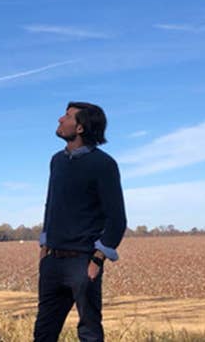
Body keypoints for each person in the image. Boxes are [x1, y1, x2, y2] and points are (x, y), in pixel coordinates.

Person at [34, 102, 127, 342]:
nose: (59, 119)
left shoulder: (103, 164)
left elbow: (116, 218)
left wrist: (98, 258)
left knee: (89, 332)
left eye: (67, 116)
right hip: (52, 261)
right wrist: (45, 246)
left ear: (81, 128)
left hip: (83, 263)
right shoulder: (57, 161)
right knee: (44, 332)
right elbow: (50, 204)